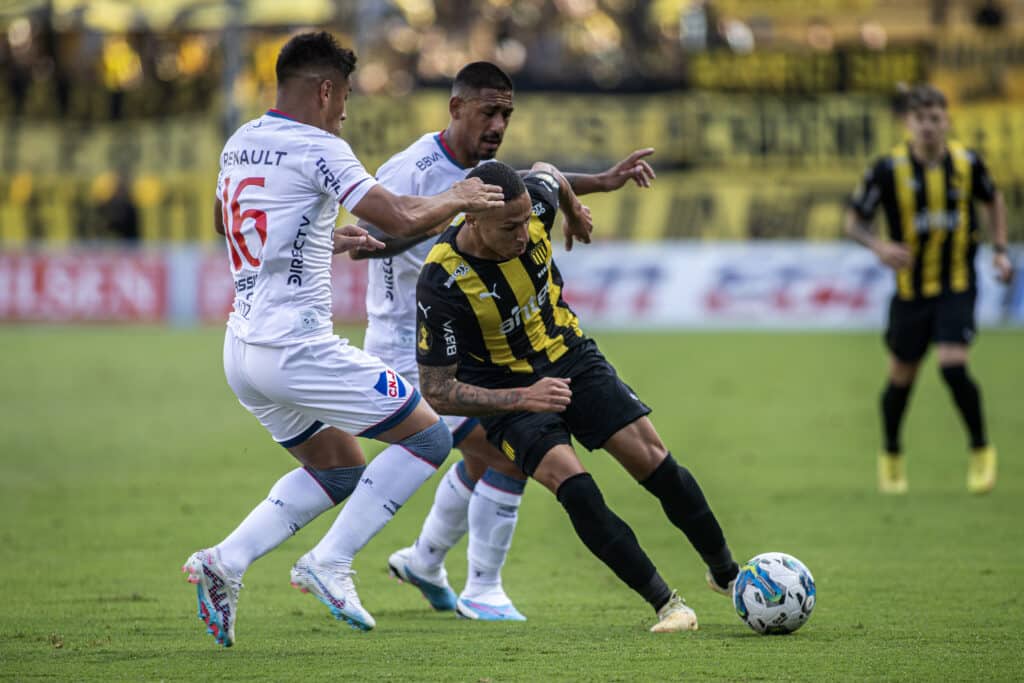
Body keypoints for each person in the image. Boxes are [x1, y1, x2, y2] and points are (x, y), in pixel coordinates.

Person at [181, 31, 505, 647]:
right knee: (429, 435)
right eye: (346, 94)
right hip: (297, 351)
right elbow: (399, 218)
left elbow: (246, 231)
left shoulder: (241, 141)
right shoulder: (322, 147)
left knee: (339, 468)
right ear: (326, 89)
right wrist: (460, 195)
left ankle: (226, 560)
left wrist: (324, 240)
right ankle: (329, 563)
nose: (347, 109)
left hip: (242, 351)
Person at [354, 61, 657, 621]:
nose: (498, 124)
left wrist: (597, 184)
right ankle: (477, 586)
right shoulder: (413, 168)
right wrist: (442, 217)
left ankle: (424, 560)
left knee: (486, 453)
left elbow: (524, 185)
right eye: (489, 112)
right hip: (407, 340)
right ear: (457, 108)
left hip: (463, 342)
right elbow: (368, 239)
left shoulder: (484, 168)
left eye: (506, 114)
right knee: (506, 450)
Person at [415, 160, 739, 633]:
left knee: (656, 462)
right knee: (578, 489)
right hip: (507, 390)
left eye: (528, 219)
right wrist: (525, 397)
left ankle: (728, 574)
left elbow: (549, 172)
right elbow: (437, 391)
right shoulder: (441, 282)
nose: (524, 234)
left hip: (570, 354)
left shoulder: (535, 201)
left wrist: (573, 212)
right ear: (473, 219)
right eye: (510, 227)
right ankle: (667, 605)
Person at [846, 84, 1013, 495]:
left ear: (947, 121)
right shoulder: (887, 169)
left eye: (936, 118)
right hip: (910, 292)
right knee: (901, 380)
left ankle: (980, 450)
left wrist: (1000, 250)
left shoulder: (967, 163)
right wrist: (880, 246)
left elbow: (993, 200)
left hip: (957, 284)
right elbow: (854, 222)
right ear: (908, 123)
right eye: (920, 119)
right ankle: (891, 454)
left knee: (953, 365)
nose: (928, 127)